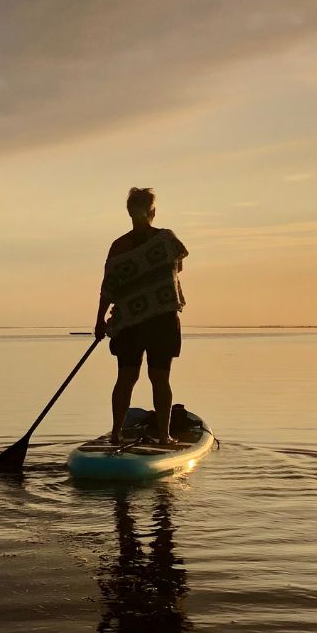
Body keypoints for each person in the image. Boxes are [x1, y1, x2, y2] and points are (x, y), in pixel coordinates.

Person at [95, 187, 188, 445]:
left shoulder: (118, 246)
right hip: (161, 318)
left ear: (129, 212)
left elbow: (108, 288)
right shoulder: (166, 239)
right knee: (159, 377)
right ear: (153, 212)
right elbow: (178, 267)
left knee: (126, 376)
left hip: (129, 321)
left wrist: (100, 321)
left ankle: (116, 433)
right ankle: (164, 436)